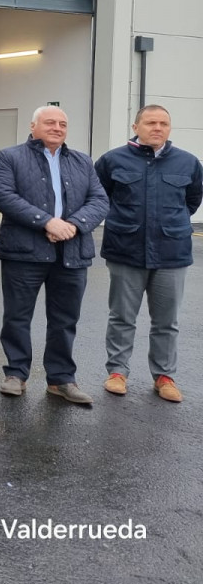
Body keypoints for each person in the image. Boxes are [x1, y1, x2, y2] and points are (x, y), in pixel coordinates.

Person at [0, 106, 108, 404]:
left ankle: (61, 379)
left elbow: (99, 200)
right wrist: (46, 222)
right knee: (17, 316)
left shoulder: (82, 161)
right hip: (23, 252)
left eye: (63, 123)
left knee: (65, 319)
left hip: (71, 252)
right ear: (33, 126)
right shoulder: (10, 156)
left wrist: (72, 225)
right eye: (50, 122)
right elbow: (4, 196)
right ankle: (16, 374)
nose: (57, 127)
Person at [95, 105, 202, 402]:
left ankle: (165, 377)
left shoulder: (188, 163)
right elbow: (100, 198)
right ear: (135, 126)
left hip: (172, 253)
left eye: (163, 123)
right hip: (125, 250)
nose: (157, 128)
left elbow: (191, 201)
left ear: (169, 128)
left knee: (166, 321)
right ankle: (117, 372)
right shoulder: (112, 160)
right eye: (151, 122)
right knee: (121, 316)